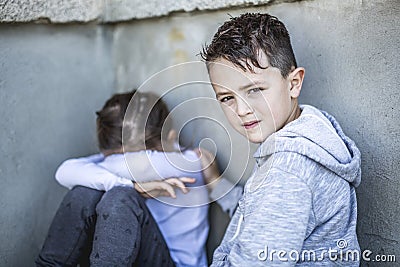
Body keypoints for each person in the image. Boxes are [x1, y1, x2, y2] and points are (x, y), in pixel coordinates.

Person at [200, 13, 362, 266]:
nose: (241, 110)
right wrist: (216, 183)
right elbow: (259, 213)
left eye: (254, 90)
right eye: (227, 98)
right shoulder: (305, 139)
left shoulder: (287, 171)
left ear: (293, 83)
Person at [36, 90, 209, 266]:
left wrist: (125, 183)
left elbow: (67, 170)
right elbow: (66, 171)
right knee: (89, 190)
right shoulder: (187, 159)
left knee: (120, 196)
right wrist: (134, 185)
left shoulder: (182, 163)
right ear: (170, 135)